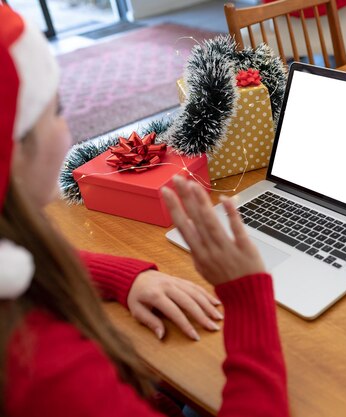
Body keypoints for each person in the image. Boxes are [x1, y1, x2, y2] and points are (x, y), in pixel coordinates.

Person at [0, 5, 289, 417]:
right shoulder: (47, 374)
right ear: (13, 152)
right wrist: (247, 294)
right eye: (57, 111)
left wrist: (125, 278)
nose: (66, 129)